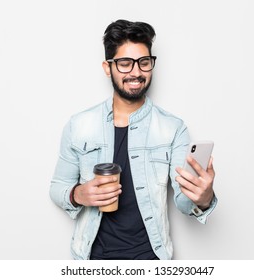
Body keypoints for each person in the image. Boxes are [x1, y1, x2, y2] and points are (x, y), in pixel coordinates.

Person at [50, 19, 217, 260]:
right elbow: (57, 187)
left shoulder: (173, 128)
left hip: (150, 260)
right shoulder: (79, 125)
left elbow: (183, 201)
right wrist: (78, 194)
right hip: (91, 260)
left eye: (144, 62)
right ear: (108, 68)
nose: (136, 72)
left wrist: (203, 197)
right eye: (125, 64)